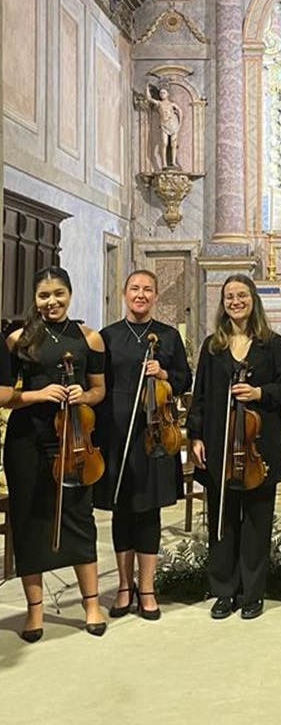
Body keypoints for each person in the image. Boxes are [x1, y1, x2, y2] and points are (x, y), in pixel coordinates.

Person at [5, 266, 107, 642]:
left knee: (79, 517)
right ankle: (35, 613)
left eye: (58, 294)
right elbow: (2, 395)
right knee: (29, 521)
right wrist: (37, 394)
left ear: (70, 293)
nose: (52, 302)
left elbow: (99, 391)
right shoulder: (18, 339)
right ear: (35, 299)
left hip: (76, 440)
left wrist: (84, 394)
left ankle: (91, 605)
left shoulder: (89, 338)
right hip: (27, 442)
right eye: (44, 295)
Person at [187, 274, 281, 620]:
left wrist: (259, 393)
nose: (236, 301)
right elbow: (200, 395)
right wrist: (196, 436)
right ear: (223, 302)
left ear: (253, 300)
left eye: (242, 295)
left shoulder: (271, 343)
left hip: (258, 449)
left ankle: (252, 592)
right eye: (230, 296)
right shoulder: (212, 346)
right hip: (218, 446)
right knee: (222, 522)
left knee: (256, 522)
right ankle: (223, 591)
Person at [94, 269, 192, 621]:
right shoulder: (107, 337)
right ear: (124, 294)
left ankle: (147, 588)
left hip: (154, 434)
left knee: (148, 511)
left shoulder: (167, 337)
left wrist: (164, 374)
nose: (141, 294)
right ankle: (124, 586)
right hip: (115, 433)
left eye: (147, 289)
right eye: (135, 288)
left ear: (154, 296)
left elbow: (184, 378)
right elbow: (97, 384)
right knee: (121, 511)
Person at [147, 83, 182, 169]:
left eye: (164, 93)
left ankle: (173, 162)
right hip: (164, 124)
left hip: (173, 124)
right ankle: (164, 163)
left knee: (173, 144)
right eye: (161, 93)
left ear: (168, 94)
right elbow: (149, 98)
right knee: (164, 143)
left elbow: (180, 110)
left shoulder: (171, 104)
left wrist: (180, 123)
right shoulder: (159, 103)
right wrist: (146, 87)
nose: (162, 94)